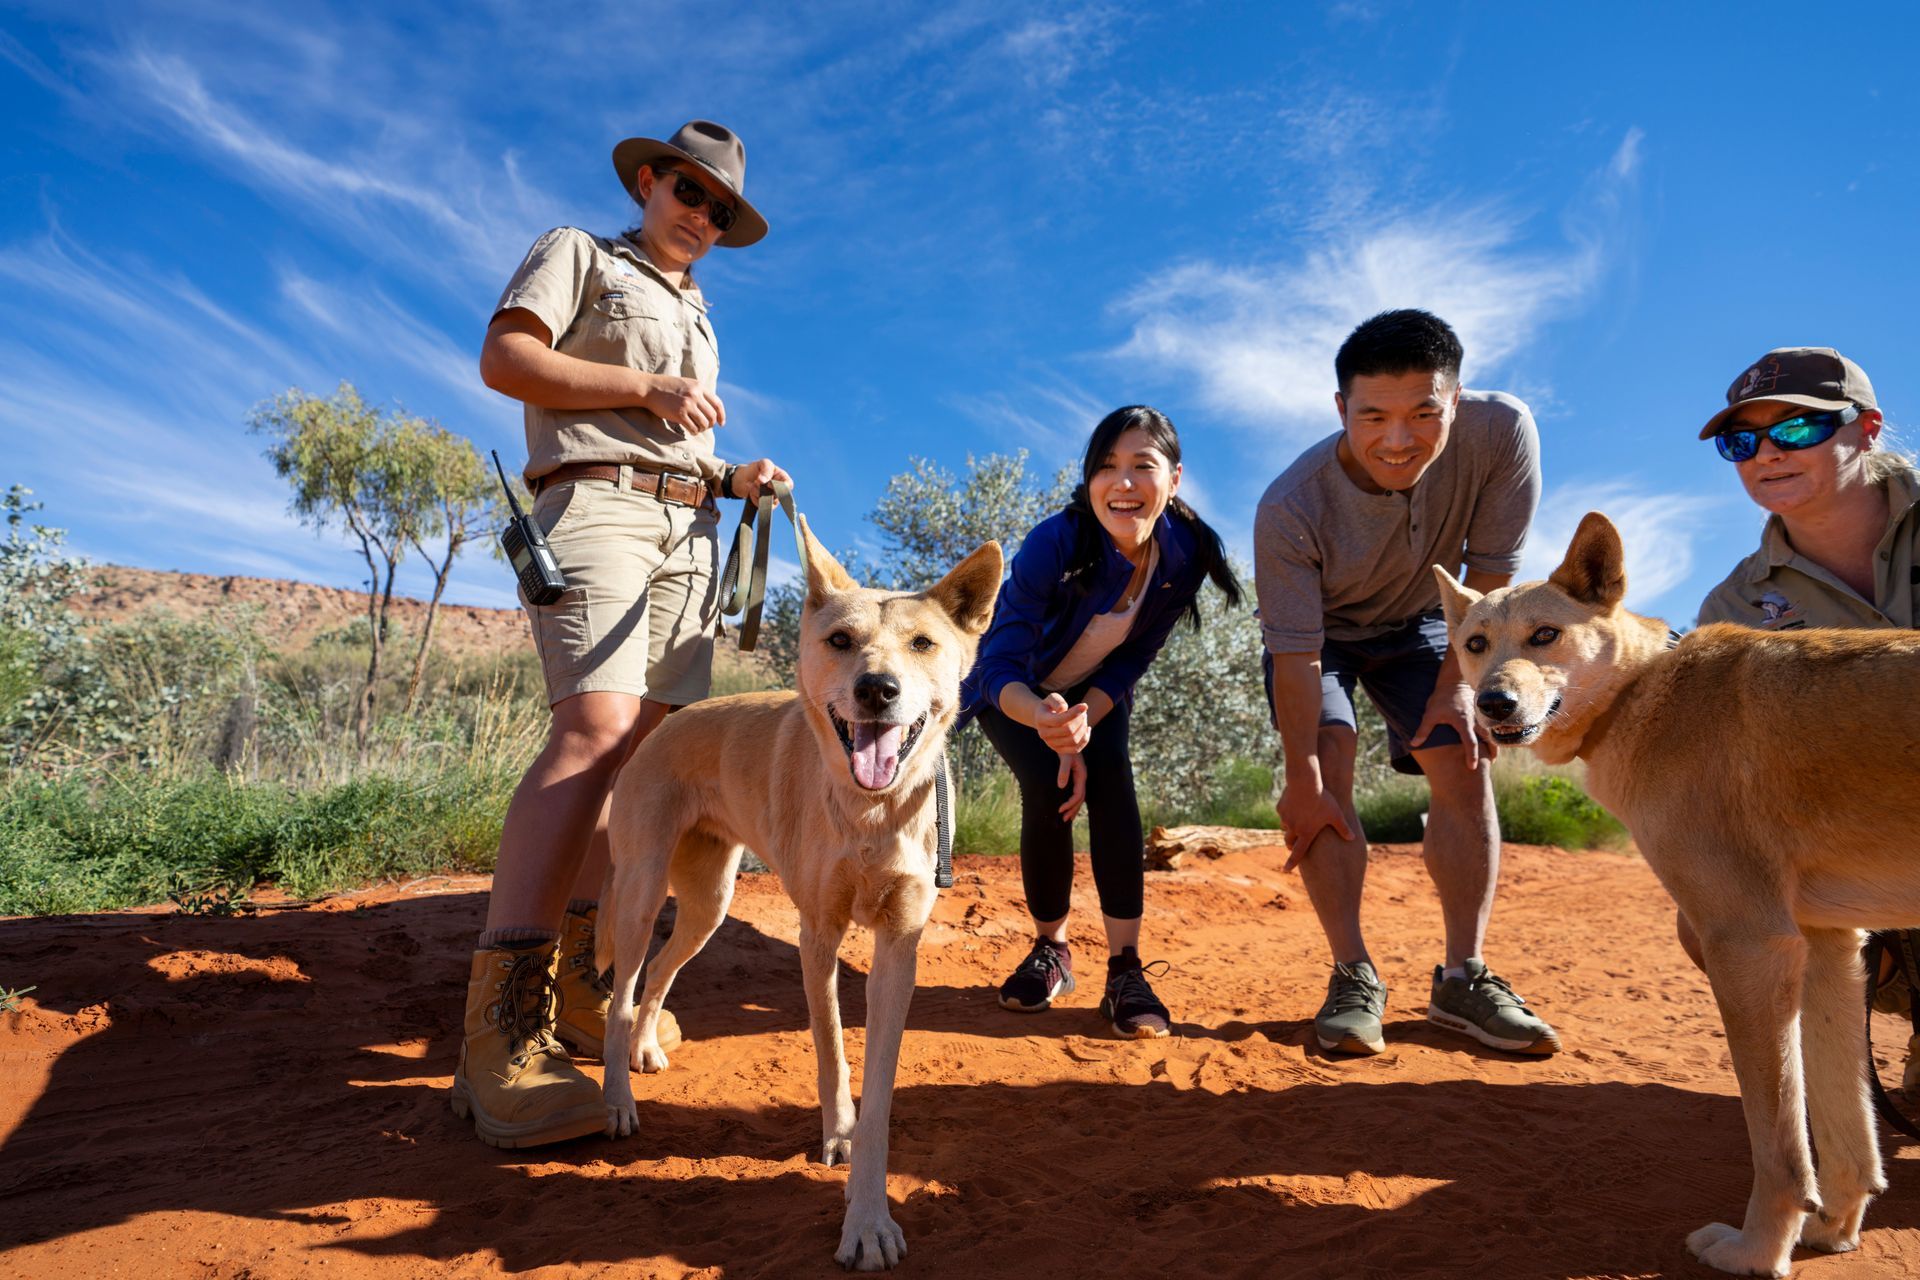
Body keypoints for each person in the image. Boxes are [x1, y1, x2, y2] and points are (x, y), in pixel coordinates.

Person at [452, 120, 792, 1147]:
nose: (701, 216)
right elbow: (506, 358)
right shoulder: (582, 254)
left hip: (687, 529)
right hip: (593, 508)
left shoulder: (699, 309)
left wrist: (733, 479)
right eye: (689, 192)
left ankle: (592, 988)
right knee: (594, 729)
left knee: (648, 761)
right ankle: (499, 1033)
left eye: (719, 210)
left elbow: (673, 437)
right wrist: (648, 386)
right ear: (649, 180)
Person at [1254, 308, 1561, 1057]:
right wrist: (1300, 777)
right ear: (1340, 411)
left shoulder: (1502, 432)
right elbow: (1295, 657)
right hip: (1322, 639)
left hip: (1430, 625)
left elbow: (1489, 576)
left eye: (1425, 413)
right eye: (1374, 417)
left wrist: (1457, 690)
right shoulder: (1289, 507)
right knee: (1326, 765)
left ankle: (1464, 977)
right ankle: (1353, 974)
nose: (1399, 439)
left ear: (1455, 402)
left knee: (1460, 753)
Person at [959, 406, 1242, 1038]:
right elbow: (998, 661)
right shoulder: (1052, 543)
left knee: (1112, 784)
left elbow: (1136, 654)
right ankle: (1052, 951)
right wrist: (1047, 722)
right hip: (1013, 693)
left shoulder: (1187, 552)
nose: (1123, 482)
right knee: (1052, 788)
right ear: (1088, 480)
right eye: (1106, 467)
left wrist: (1087, 717)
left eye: (1143, 466)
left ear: (1174, 478)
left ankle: (1125, 968)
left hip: (1093, 694)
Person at [1687, 346, 1918, 1089]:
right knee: (1714, 910)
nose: (1765, 456)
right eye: (1741, 441)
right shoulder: (1731, 613)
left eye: (1794, 431)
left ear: (1868, 427)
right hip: (1865, 851)